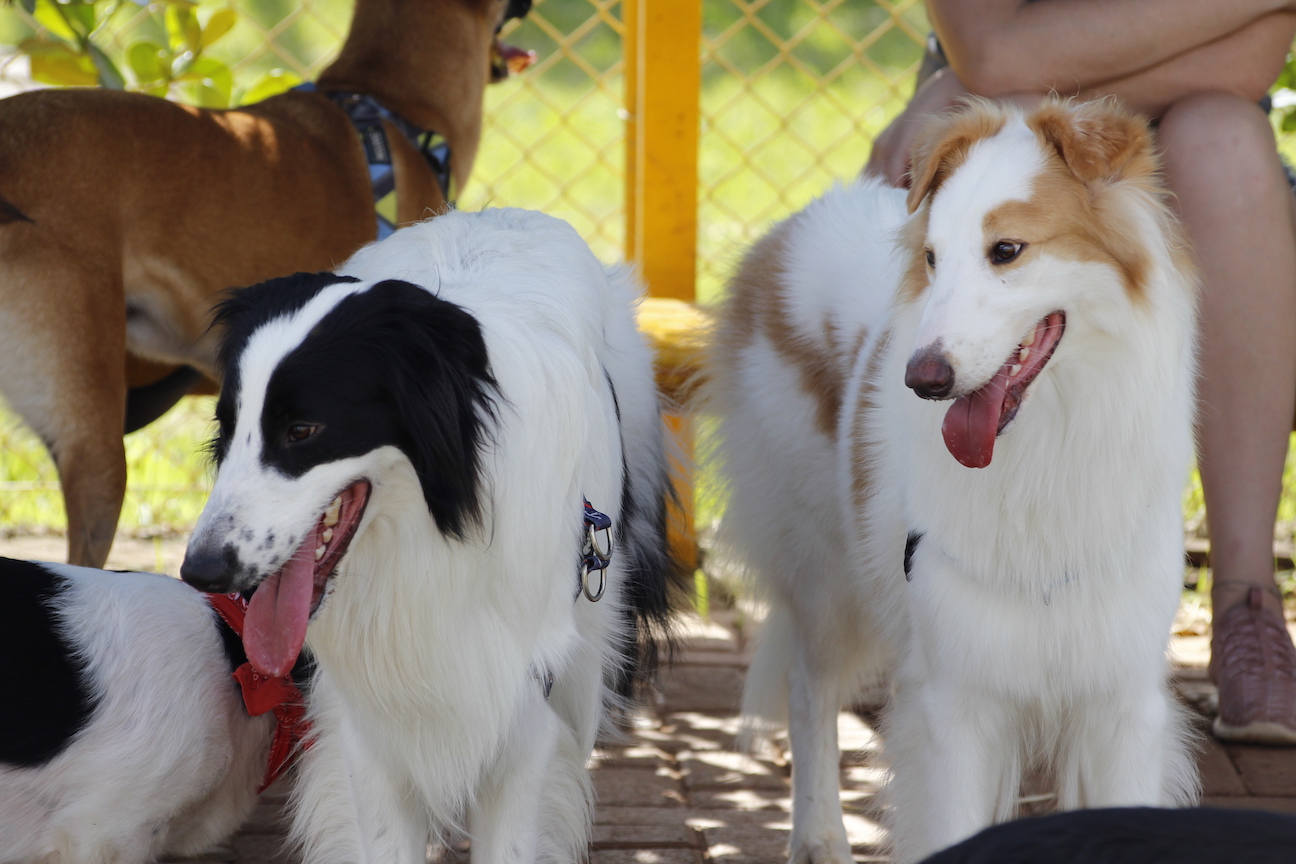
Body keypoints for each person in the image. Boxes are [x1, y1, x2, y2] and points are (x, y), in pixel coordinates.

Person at [865, 0, 1296, 743]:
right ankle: (951, 591)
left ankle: (1246, 601)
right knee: (989, 133)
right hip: (997, 118)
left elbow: (1254, 61)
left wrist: (1025, 78)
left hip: (1177, 116)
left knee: (1223, 138)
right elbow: (988, 51)